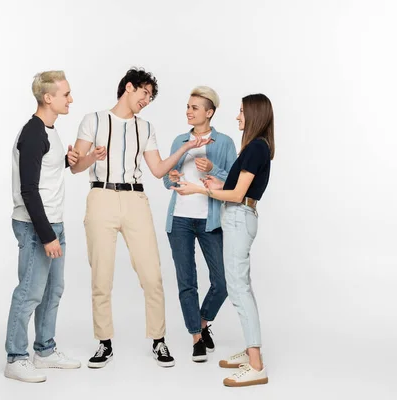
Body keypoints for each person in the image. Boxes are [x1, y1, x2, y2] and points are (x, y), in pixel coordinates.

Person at [68, 67, 211, 368]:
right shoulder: (92, 120)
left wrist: (186, 147)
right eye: (145, 93)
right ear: (129, 88)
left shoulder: (145, 127)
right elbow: (76, 167)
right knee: (101, 275)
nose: (147, 100)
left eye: (150, 97)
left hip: (135, 199)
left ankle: (159, 340)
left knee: (152, 274)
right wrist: (91, 158)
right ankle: (103, 342)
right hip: (101, 196)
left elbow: (158, 170)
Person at [172, 93, 274, 387]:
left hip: (240, 217)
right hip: (241, 216)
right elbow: (236, 187)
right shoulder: (255, 147)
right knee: (241, 287)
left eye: (242, 112)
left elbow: (237, 195)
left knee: (238, 290)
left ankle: (256, 365)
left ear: (254, 115)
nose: (238, 117)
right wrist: (218, 183)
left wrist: (198, 189)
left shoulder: (255, 147)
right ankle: (252, 351)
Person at [4, 71, 81, 383]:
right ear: (48, 97)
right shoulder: (33, 133)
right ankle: (16, 357)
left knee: (53, 290)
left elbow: (45, 169)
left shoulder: (49, 130)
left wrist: (70, 159)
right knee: (29, 292)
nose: (70, 99)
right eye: (66, 94)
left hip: (54, 222)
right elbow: (28, 190)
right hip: (37, 226)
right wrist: (47, 235)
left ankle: (44, 351)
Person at [162, 86, 237, 362]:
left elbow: (235, 182)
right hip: (180, 219)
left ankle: (203, 321)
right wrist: (171, 176)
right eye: (188, 106)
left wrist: (212, 170)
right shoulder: (180, 140)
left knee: (222, 281)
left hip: (210, 220)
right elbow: (167, 181)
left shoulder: (225, 142)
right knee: (187, 282)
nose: (188, 111)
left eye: (194, 107)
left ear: (209, 112)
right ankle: (196, 337)